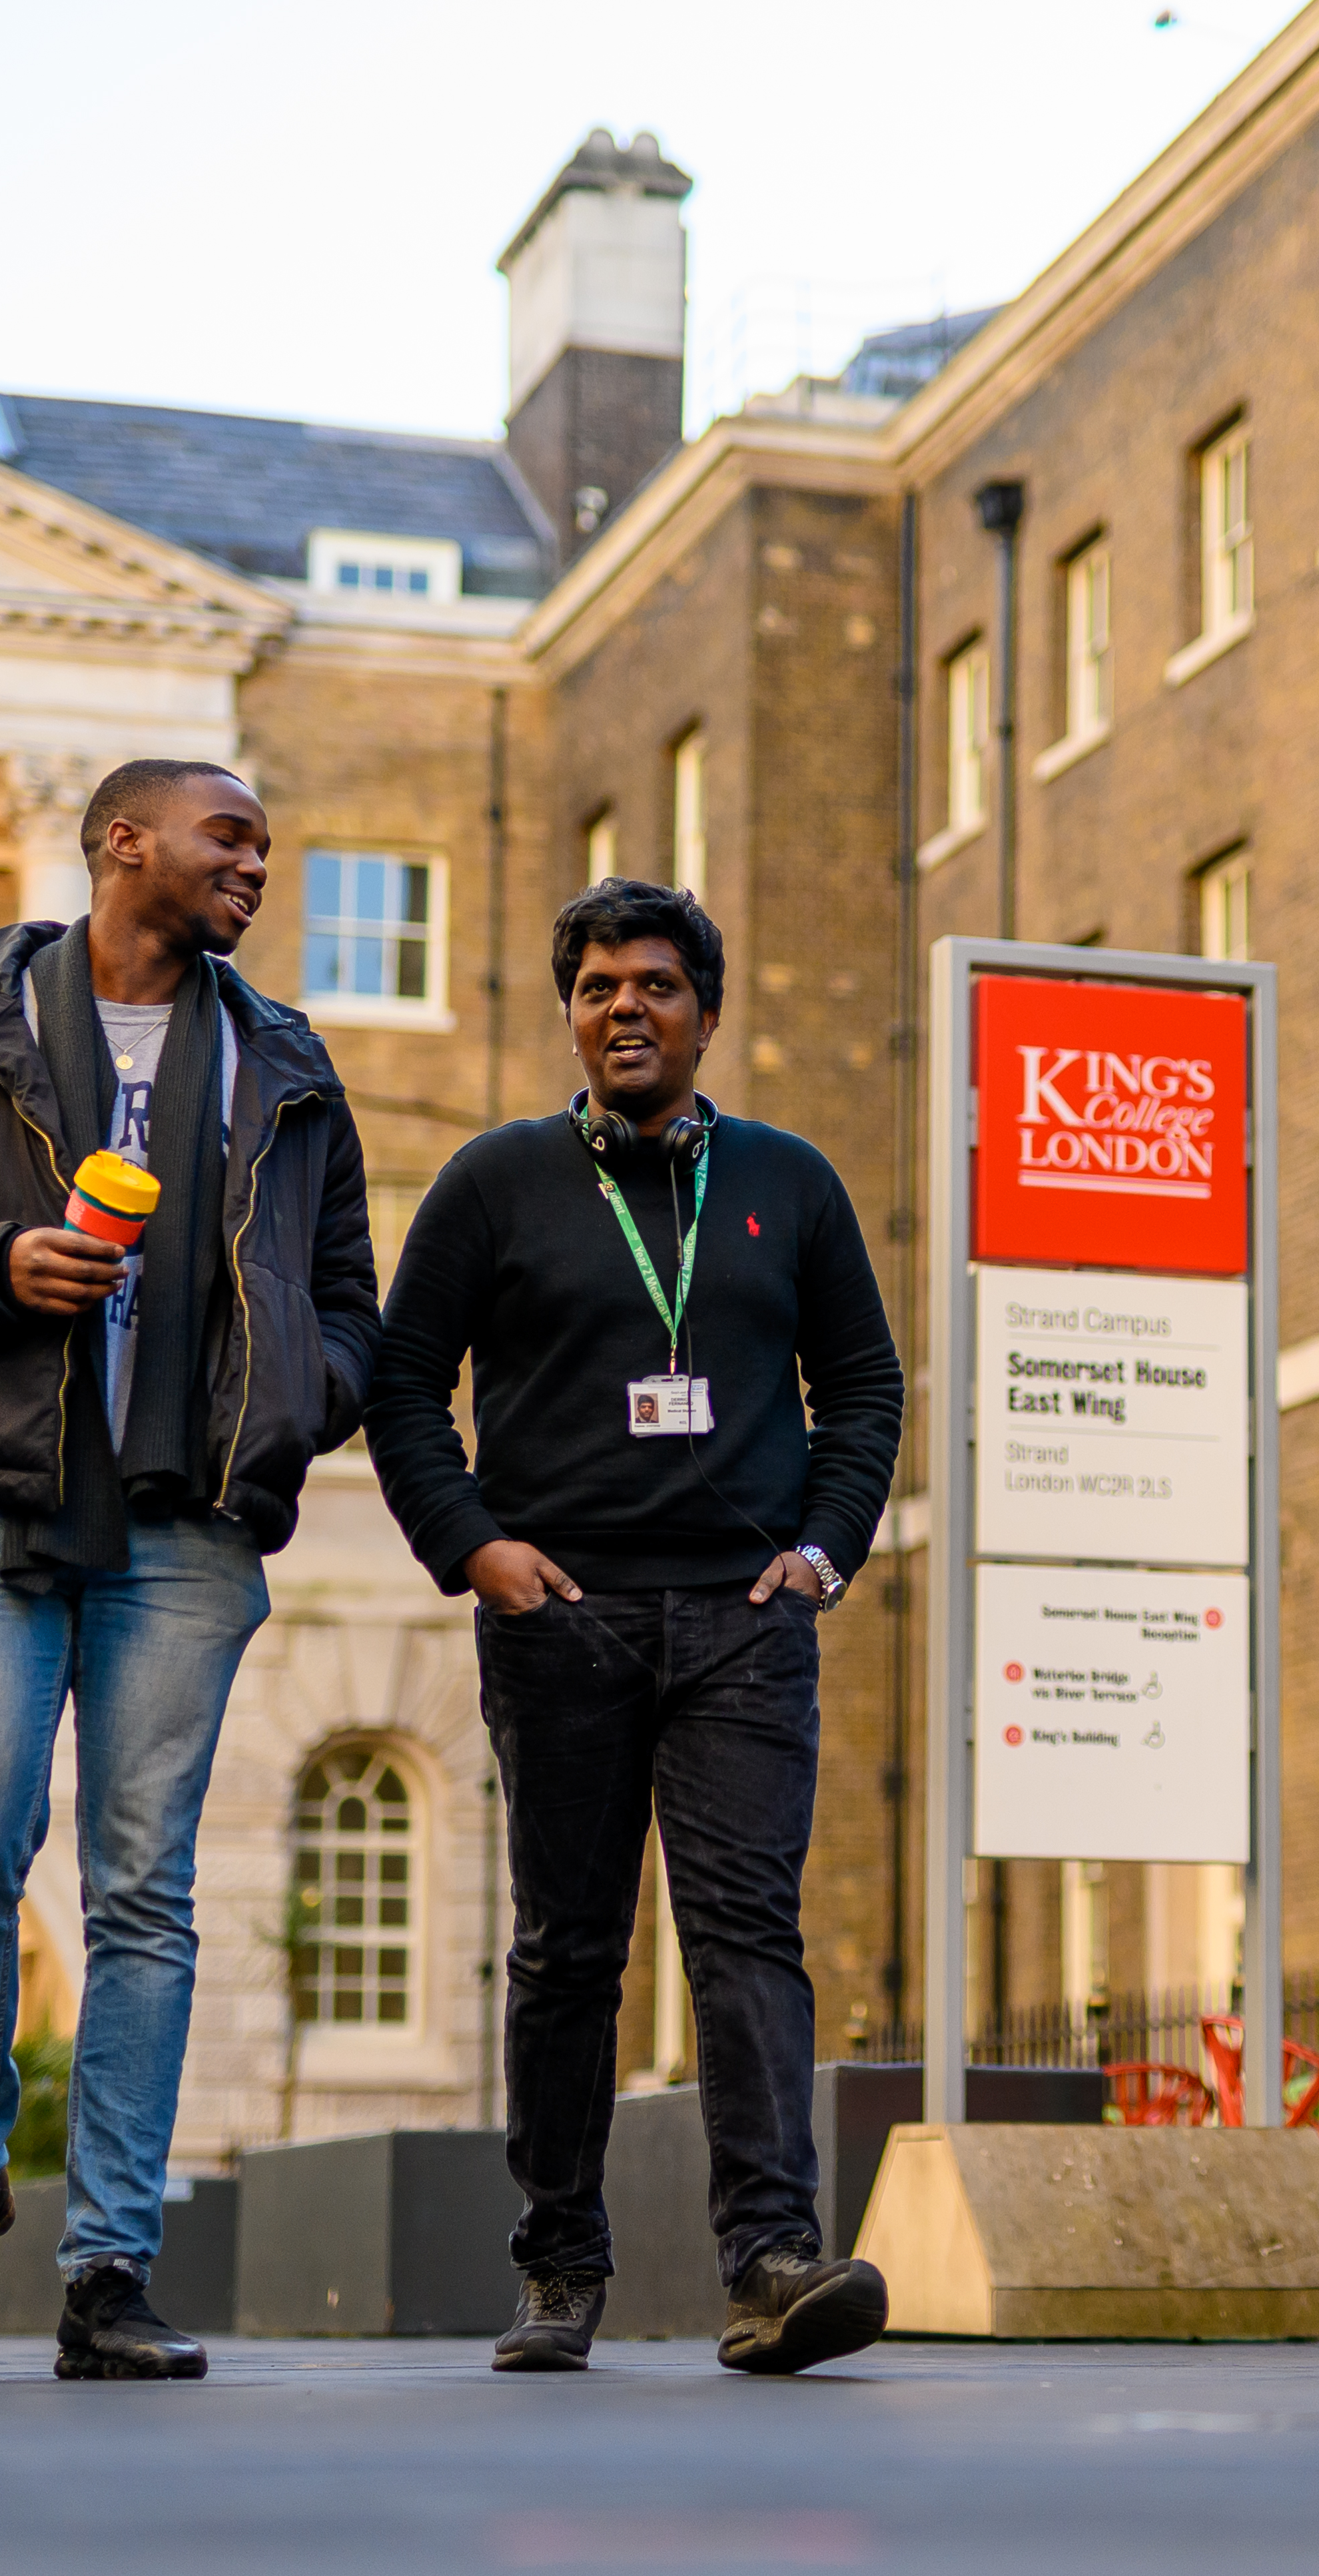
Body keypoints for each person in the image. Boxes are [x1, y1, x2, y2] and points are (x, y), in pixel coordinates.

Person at [0, 759, 380, 2382]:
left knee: (145, 1892)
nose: (257, 866)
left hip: (187, 1524)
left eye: (265, 840)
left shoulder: (283, 1064)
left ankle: (110, 2267)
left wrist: (299, 1399)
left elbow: (347, 1295)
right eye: (229, 839)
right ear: (123, 845)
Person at [367, 878, 906, 2375]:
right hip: (564, 1616)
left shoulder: (788, 1183)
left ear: (706, 1013)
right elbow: (404, 1383)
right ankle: (558, 2264)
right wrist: (474, 1547)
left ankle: (772, 2261)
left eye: (656, 984)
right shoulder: (496, 1181)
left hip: (745, 1618)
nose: (626, 1006)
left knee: (748, 1933)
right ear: (571, 1010)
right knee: (566, 1949)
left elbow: (862, 1385)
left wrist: (822, 1550)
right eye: (599, 984)